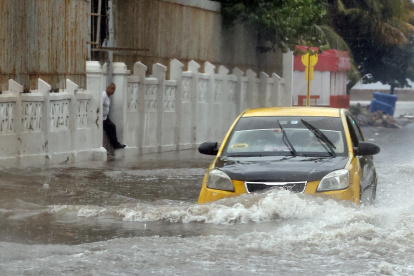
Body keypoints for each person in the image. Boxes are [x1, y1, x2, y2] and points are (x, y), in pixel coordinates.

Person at [102, 83, 126, 149]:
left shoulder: (108, 97)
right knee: (110, 128)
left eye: (114, 89)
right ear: (107, 88)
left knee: (112, 127)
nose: (113, 91)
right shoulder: (103, 95)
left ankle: (116, 144)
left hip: (105, 117)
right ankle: (115, 145)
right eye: (112, 88)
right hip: (101, 119)